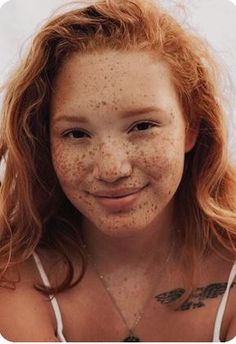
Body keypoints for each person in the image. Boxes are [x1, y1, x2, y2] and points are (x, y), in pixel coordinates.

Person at [0, 0, 235, 342]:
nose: (112, 168)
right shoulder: (13, 278)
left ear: (191, 127)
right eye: (76, 134)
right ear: (44, 143)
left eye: (142, 126)